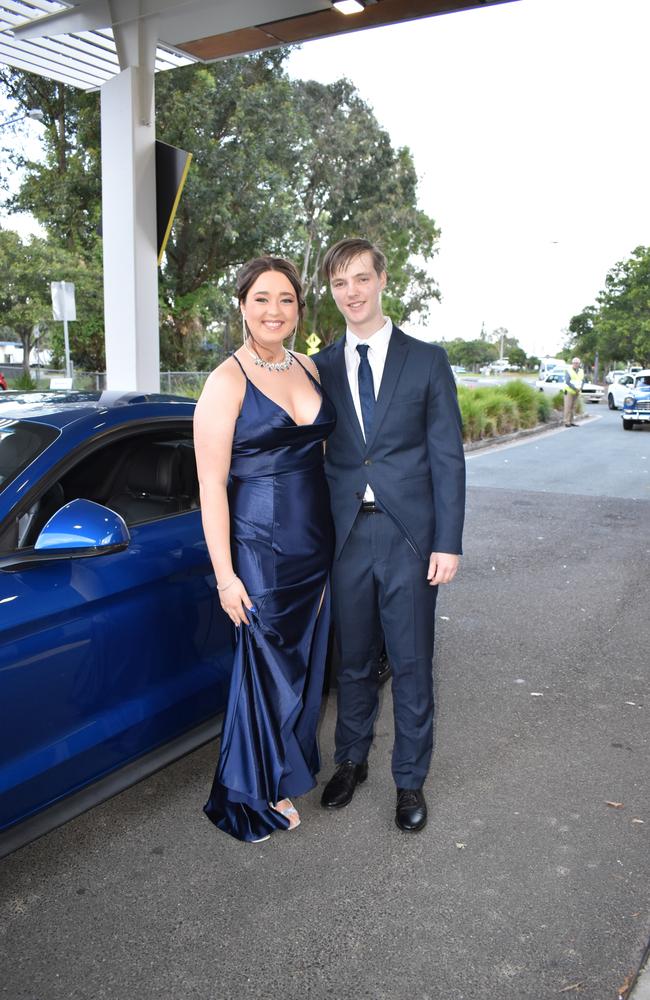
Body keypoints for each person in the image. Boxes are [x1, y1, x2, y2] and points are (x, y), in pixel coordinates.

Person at [314, 237, 466, 833]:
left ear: (382, 279)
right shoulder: (321, 365)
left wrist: (447, 541)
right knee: (351, 662)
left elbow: (447, 458)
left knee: (410, 663)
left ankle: (410, 780)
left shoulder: (427, 360)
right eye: (339, 284)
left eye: (360, 279)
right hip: (347, 536)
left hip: (409, 537)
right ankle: (350, 762)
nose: (351, 292)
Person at [194, 256, 336, 843]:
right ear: (242, 306)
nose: (274, 310)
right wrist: (226, 576)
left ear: (299, 309)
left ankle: (286, 766)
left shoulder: (308, 366)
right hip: (258, 548)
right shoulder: (226, 380)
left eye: (285, 299)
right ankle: (251, 793)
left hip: (315, 543)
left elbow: (324, 459)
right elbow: (210, 484)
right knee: (266, 668)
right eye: (261, 299)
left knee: (305, 662)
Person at [564, 357, 585, 426]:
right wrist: (574, 388)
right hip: (569, 391)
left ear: (579, 364)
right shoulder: (569, 370)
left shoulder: (581, 371)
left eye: (577, 363)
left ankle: (571, 421)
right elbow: (567, 381)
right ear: (572, 363)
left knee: (574, 407)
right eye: (575, 363)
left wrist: (580, 388)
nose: (576, 364)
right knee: (568, 406)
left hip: (577, 391)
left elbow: (582, 381)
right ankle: (567, 422)